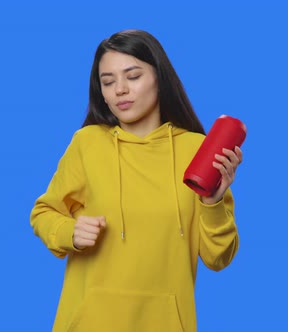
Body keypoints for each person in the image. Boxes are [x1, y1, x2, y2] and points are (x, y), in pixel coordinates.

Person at [30, 29, 243, 332]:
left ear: (159, 77)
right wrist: (70, 232)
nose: (120, 90)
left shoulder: (198, 150)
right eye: (108, 81)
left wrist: (213, 202)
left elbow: (218, 258)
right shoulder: (87, 143)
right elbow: (42, 213)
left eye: (132, 76)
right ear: (101, 91)